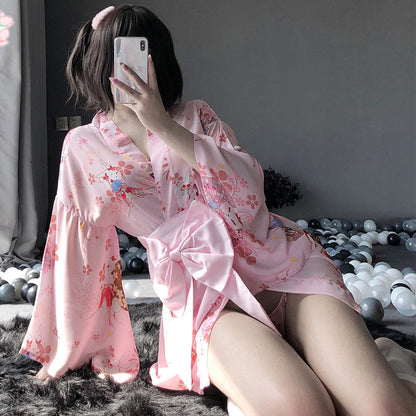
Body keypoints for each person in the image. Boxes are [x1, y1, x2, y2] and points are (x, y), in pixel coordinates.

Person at [20, 5, 415, 416]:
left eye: (144, 52)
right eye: (122, 54)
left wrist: (162, 125)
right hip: (204, 301)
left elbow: (249, 198)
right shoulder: (84, 147)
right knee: (303, 408)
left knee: (385, 409)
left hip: (286, 269)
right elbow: (77, 250)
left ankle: (390, 358)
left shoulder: (197, 116)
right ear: (102, 61)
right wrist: (64, 348)